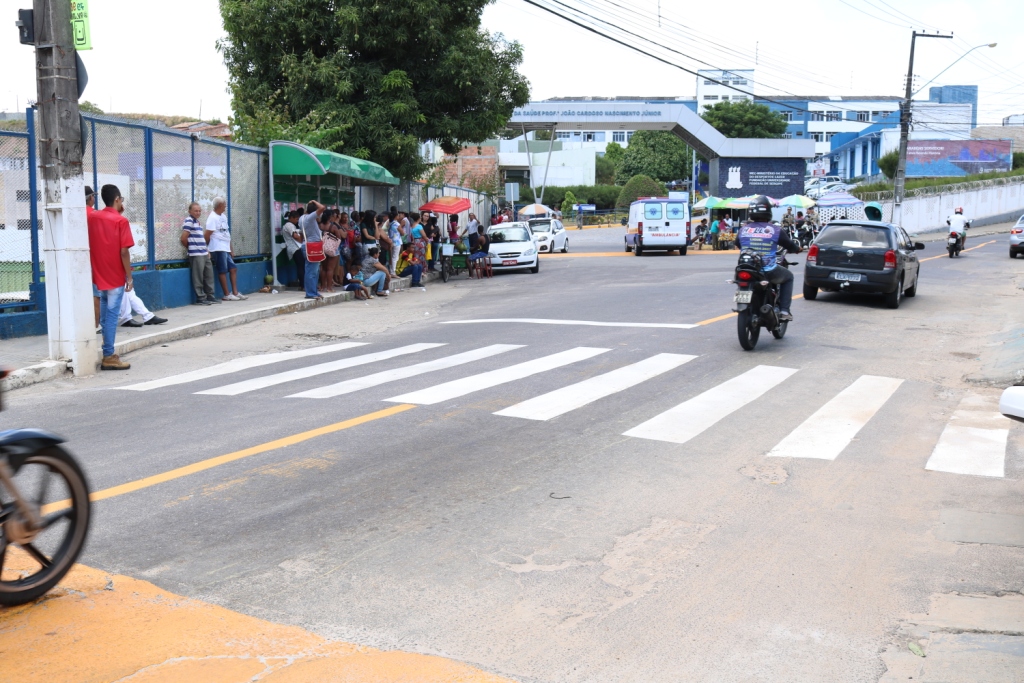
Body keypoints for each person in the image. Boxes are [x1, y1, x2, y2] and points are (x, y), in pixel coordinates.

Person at [88, 185, 134, 370]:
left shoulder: (93, 216)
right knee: (112, 315)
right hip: (114, 275)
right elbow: (124, 252)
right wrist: (129, 277)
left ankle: (107, 348)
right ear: (117, 199)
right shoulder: (121, 221)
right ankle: (108, 355)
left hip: (99, 273)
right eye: (121, 199)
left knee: (106, 314)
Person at [736, 195, 802, 322]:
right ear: (768, 212)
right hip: (767, 270)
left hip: (744, 268)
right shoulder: (775, 230)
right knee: (789, 277)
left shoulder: (743, 229)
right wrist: (797, 249)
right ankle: (784, 311)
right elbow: (790, 245)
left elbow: (738, 244)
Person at [205, 197, 247, 301]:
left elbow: (226, 234)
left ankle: (235, 292)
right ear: (220, 205)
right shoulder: (212, 218)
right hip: (217, 247)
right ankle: (226, 294)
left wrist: (231, 249)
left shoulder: (223, 216)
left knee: (233, 268)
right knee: (222, 270)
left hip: (225, 247)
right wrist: (206, 248)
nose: (225, 206)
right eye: (224, 205)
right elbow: (207, 234)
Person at [181, 202, 217, 305]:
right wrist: (191, 247)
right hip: (196, 254)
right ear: (190, 211)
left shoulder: (197, 222)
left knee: (209, 275)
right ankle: (200, 298)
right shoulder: (189, 221)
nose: (198, 213)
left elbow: (201, 238)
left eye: (199, 211)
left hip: (204, 253)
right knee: (198, 277)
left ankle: (210, 296)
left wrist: (206, 250)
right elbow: (183, 238)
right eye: (196, 211)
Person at [299, 200, 325, 299]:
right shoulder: (310, 218)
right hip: (312, 246)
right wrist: (314, 201)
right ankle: (310, 293)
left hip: (308, 245)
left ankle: (314, 291)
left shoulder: (302, 218)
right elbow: (322, 207)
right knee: (311, 271)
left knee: (314, 270)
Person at [281, 209, 306, 288]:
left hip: (296, 247)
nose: (297, 221)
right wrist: (301, 237)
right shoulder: (289, 225)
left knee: (301, 265)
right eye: (296, 219)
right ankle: (303, 284)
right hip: (294, 248)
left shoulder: (292, 225)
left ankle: (302, 284)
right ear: (291, 218)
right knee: (301, 265)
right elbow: (295, 236)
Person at [319, 209, 342, 293]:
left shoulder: (320, 225)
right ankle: (329, 288)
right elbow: (339, 238)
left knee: (323, 268)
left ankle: (322, 286)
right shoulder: (333, 227)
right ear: (330, 217)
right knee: (330, 269)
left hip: (322, 248)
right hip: (332, 249)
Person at [408, 212, 428, 288]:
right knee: (422, 258)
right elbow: (424, 235)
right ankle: (422, 272)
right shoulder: (419, 226)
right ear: (418, 218)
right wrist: (427, 241)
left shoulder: (412, 226)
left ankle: (418, 275)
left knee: (416, 257)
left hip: (414, 242)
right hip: (420, 242)